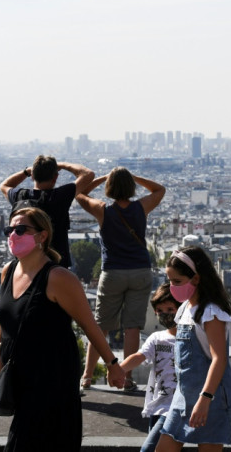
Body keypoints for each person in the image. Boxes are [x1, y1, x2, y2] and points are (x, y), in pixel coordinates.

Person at [0, 207, 125, 451]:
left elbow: (89, 324)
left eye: (21, 229)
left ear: (42, 235)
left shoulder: (58, 277)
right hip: (21, 375)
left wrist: (112, 365)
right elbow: (4, 313)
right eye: (10, 229)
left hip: (52, 377)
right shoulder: (9, 271)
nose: (13, 235)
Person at [76, 167, 165, 391]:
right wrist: (135, 177)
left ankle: (86, 376)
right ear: (132, 187)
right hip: (140, 271)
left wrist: (104, 178)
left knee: (101, 327)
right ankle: (127, 378)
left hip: (113, 272)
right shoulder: (140, 207)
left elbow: (80, 193)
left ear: (110, 188)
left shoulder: (103, 210)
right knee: (132, 327)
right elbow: (159, 189)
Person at [156, 246, 231, 451]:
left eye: (177, 281)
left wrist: (205, 398)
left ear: (196, 278)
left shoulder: (210, 312)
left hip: (210, 398)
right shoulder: (185, 308)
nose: (171, 287)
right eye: (170, 281)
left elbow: (219, 359)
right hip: (184, 397)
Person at [114, 282, 180, 452]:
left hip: (175, 407)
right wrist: (119, 370)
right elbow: (138, 356)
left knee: (149, 449)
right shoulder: (157, 338)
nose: (165, 315)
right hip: (158, 404)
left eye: (170, 310)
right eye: (160, 311)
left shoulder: (191, 338)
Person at [0, 155, 95, 268]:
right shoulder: (59, 197)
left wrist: (26, 171)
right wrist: (63, 165)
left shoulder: (20, 197)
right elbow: (88, 174)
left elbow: (4, 185)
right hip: (55, 264)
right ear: (55, 177)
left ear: (32, 177)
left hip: (25, 264)